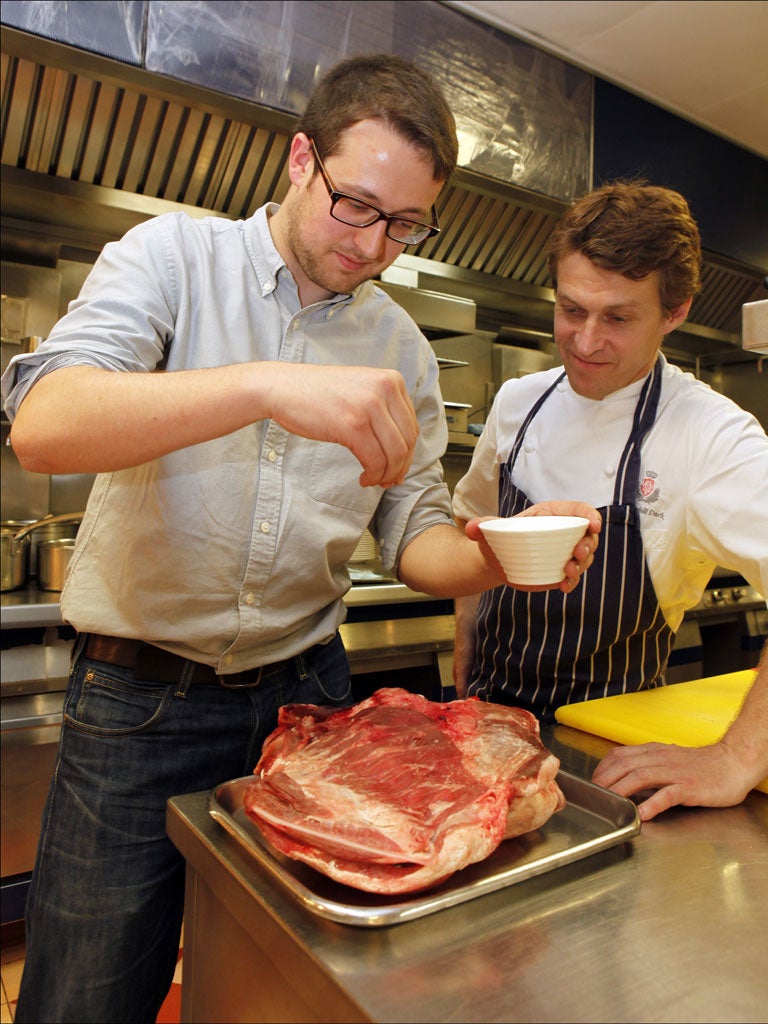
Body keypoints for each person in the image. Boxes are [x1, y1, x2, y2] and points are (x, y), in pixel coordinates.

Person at [1, 54, 597, 1023]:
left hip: (308, 705)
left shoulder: (401, 349)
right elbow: (46, 424)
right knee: (87, 997)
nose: (373, 245)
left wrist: (498, 550)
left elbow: (414, 539)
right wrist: (265, 385)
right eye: (356, 205)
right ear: (299, 160)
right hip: (139, 702)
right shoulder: (174, 259)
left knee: (287, 992)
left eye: (406, 225)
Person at [452, 180, 768, 824]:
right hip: (486, 732)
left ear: (674, 313)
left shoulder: (710, 434)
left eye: (618, 319)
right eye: (571, 309)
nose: (585, 341)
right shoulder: (519, 403)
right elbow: (471, 527)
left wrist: (737, 758)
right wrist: (464, 666)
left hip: (609, 755)